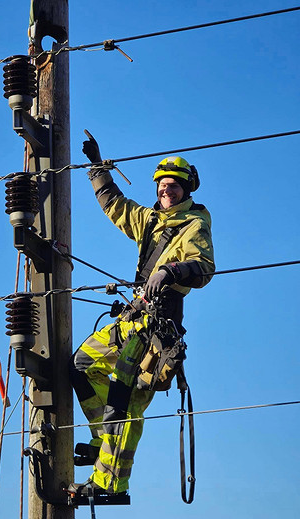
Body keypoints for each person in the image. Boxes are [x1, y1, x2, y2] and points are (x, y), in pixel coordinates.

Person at [68, 132, 215, 497]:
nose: (168, 192)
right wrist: (97, 167)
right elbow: (115, 204)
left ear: (187, 189)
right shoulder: (150, 220)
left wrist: (171, 271)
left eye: (175, 188)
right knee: (81, 365)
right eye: (163, 187)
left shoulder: (194, 224)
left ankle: (111, 484)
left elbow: (204, 267)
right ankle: (104, 444)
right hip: (131, 322)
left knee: (123, 400)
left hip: (156, 330)